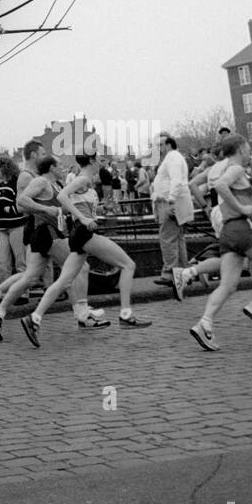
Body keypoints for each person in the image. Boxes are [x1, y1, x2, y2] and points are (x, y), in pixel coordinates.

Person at [17, 153, 150, 346]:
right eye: (101, 161)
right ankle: (126, 314)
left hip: (80, 234)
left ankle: (34, 318)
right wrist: (83, 218)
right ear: (93, 162)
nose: (104, 164)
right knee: (128, 265)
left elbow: (80, 204)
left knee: (64, 280)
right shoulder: (83, 178)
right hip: (84, 234)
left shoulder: (86, 181)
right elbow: (62, 197)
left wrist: (103, 210)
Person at [0, 151, 108, 338]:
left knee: (29, 277)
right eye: (59, 166)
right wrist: (45, 209)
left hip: (48, 233)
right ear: (52, 168)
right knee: (80, 268)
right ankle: (82, 314)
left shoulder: (55, 185)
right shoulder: (40, 181)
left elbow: (61, 208)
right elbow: (21, 201)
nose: (63, 169)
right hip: (49, 233)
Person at [189, 134, 252, 351]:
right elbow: (223, 186)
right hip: (242, 227)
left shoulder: (224, 169)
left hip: (228, 231)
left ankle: (205, 323)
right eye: (248, 147)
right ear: (241, 148)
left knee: (228, 285)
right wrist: (243, 208)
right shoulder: (235, 168)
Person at [150, 134, 190, 284]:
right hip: (172, 201)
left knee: (167, 238)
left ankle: (170, 273)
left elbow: (176, 179)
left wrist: (172, 200)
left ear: (168, 145)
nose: (159, 148)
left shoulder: (172, 158)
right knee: (178, 239)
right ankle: (183, 273)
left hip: (168, 202)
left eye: (160, 145)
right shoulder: (174, 157)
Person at [0, 155, 26, 284]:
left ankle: (23, 292)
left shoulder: (16, 184)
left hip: (17, 226)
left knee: (21, 261)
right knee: (2, 262)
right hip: (2, 228)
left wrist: (4, 209)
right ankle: (5, 291)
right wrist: (3, 208)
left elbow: (20, 206)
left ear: (4, 168)